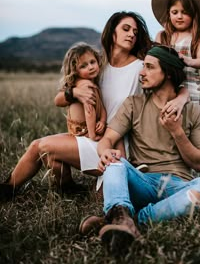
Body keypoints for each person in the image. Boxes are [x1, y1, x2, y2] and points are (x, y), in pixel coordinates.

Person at [0, 11, 188, 201]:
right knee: (49, 157)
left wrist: (181, 99)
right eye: (125, 29)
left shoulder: (140, 67)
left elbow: (176, 86)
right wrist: (74, 93)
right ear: (112, 33)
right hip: (92, 136)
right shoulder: (97, 66)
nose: (132, 34)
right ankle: (17, 189)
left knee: (41, 146)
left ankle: (13, 190)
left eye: (135, 32)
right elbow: (59, 98)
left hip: (118, 143)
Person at [79, 45, 200, 253]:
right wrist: (105, 152)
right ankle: (120, 214)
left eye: (150, 67)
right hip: (142, 181)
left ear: (168, 73)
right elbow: (107, 139)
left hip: (177, 186)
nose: (142, 73)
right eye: (144, 66)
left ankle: (132, 220)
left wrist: (177, 132)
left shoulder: (195, 112)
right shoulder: (134, 104)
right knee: (115, 163)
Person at [152, 0, 200, 105]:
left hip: (190, 86)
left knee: (189, 120)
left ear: (193, 15)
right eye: (175, 12)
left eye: (185, 12)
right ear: (168, 14)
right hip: (167, 86)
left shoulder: (198, 36)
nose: (179, 16)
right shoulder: (162, 36)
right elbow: (155, 58)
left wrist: (187, 60)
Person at [61, 42, 107, 141]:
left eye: (92, 62)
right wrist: (92, 135)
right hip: (83, 129)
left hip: (85, 128)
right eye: (83, 66)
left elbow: (101, 107)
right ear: (75, 70)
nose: (90, 67)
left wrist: (102, 121)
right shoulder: (85, 85)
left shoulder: (93, 84)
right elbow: (89, 111)